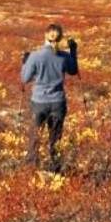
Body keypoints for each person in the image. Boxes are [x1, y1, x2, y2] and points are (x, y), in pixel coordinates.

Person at [20, 23, 79, 171]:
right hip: (58, 102)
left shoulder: (35, 56)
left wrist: (25, 62)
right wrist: (73, 51)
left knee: (34, 137)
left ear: (45, 36)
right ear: (60, 37)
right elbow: (73, 70)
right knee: (55, 139)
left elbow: (25, 78)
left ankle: (31, 169)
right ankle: (55, 169)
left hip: (39, 102)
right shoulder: (64, 57)